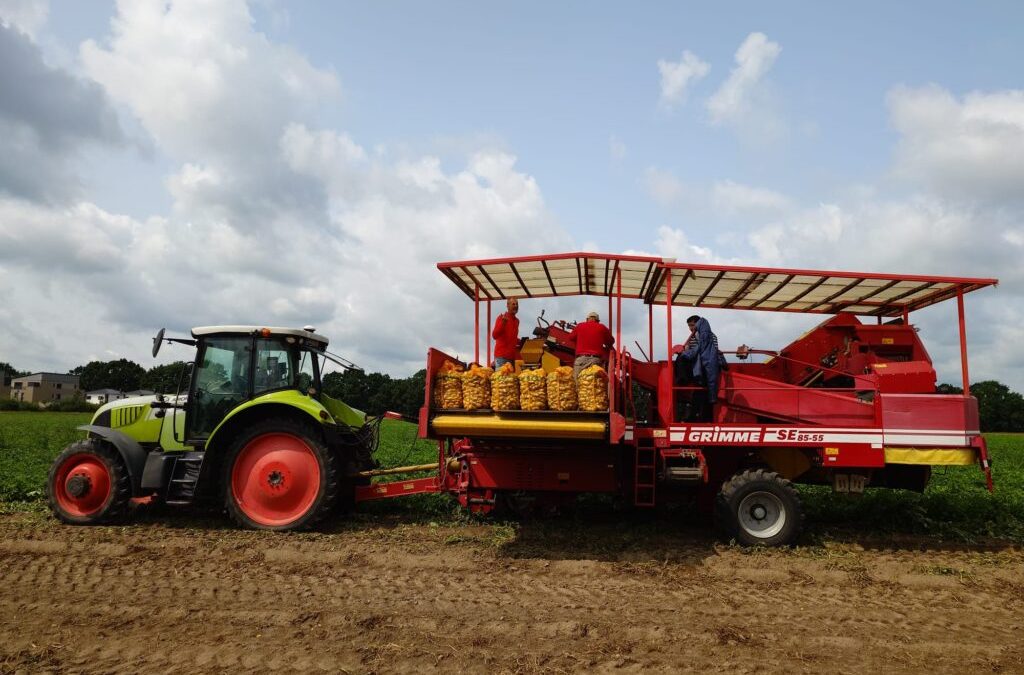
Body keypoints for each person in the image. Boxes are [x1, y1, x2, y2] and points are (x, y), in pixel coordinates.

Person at [677, 315, 724, 421]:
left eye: (692, 325)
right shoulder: (695, 337)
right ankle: (701, 417)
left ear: (698, 324)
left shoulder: (706, 336)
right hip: (703, 366)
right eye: (689, 326)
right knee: (701, 394)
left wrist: (687, 351)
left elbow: (701, 352)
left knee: (700, 393)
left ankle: (682, 379)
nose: (691, 328)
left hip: (704, 367)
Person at [568, 311, 615, 379]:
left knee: (576, 382)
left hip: (581, 359)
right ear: (597, 321)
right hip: (595, 360)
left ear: (587, 319)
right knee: (594, 384)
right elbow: (611, 341)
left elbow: (571, 337)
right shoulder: (602, 327)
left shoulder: (580, 326)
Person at [492, 297, 520, 369]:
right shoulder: (501, 318)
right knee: (501, 379)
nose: (515, 306)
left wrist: (524, 342)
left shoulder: (517, 321)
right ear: (507, 305)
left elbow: (512, 337)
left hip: (512, 357)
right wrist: (503, 323)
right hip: (501, 357)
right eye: (513, 304)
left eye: (517, 304)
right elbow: (494, 335)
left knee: (511, 380)